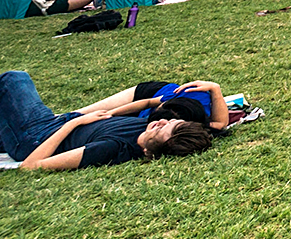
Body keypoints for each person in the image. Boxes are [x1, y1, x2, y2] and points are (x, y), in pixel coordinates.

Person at [0, 70, 219, 171]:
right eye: (171, 122)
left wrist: (74, 123)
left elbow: (30, 166)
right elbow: (218, 125)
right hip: (57, 124)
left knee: (14, 79)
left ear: (151, 151)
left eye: (164, 130)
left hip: (35, 137)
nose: (162, 122)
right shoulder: (151, 125)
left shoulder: (112, 148)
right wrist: (215, 90)